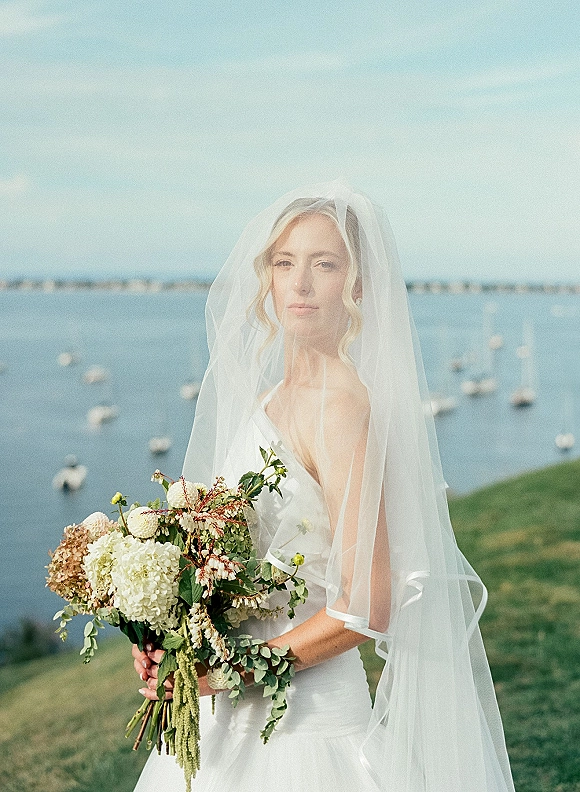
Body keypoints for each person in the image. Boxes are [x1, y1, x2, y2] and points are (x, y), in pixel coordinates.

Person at [132, 181, 515, 792]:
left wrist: (230, 672)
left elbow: (366, 605)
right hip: (226, 717)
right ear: (268, 280)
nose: (300, 284)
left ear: (358, 285)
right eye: (285, 264)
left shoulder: (341, 406)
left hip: (304, 729)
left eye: (324, 264)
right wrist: (167, 637)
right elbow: (220, 557)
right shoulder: (267, 401)